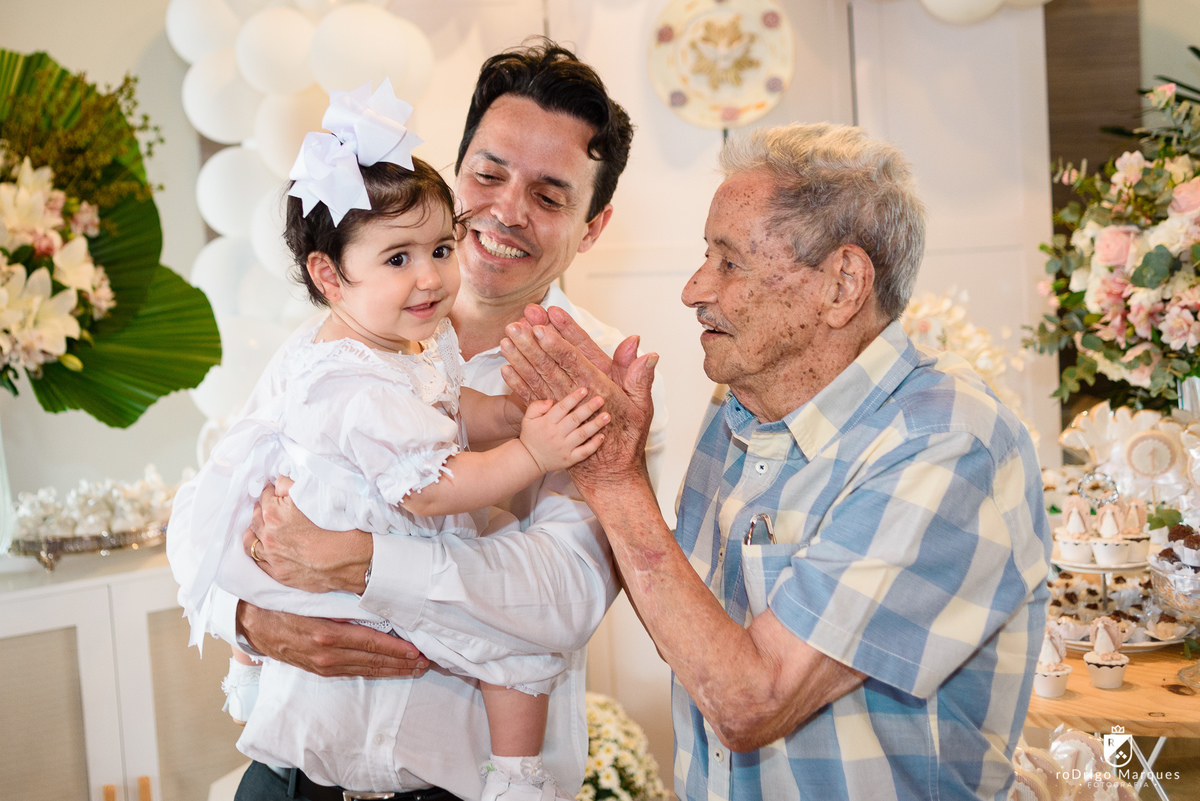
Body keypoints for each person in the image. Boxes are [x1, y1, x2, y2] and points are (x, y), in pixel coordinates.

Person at [500, 122, 1052, 800]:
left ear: (843, 284)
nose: (694, 289)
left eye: (730, 263)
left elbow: (750, 702)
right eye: (706, 256)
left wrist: (615, 480)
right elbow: (695, 636)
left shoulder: (946, 442)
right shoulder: (740, 401)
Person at [193, 40, 668, 800]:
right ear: (457, 169)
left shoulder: (601, 382)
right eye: (488, 173)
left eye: (550, 197)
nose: (506, 211)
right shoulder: (341, 336)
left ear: (593, 225)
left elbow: (560, 599)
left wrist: (354, 562)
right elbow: (221, 499)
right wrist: (248, 615)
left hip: (460, 787)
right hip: (291, 773)